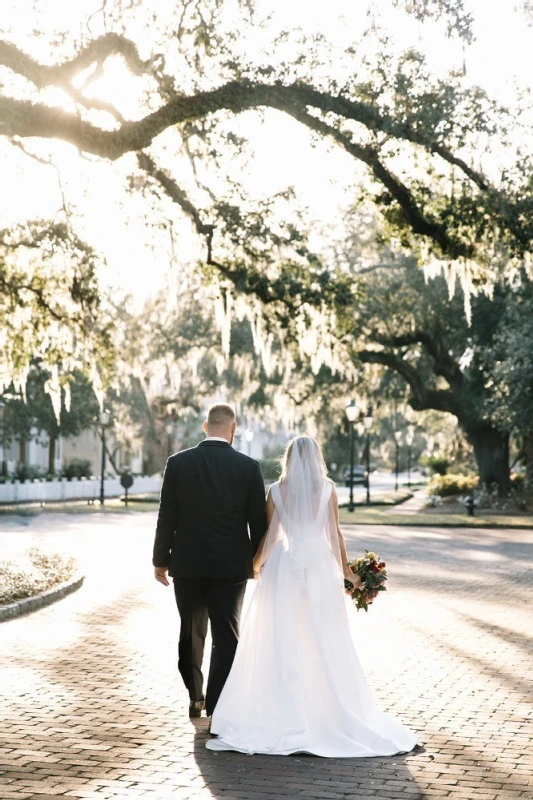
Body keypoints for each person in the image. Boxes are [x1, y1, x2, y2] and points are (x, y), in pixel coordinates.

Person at [206, 435, 417, 757]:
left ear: (288, 459)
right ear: (317, 458)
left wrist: (255, 567)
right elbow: (334, 534)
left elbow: (271, 535)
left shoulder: (276, 490)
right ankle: (327, 708)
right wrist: (348, 572)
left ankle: (283, 711)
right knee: (323, 636)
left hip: (286, 567)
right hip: (318, 566)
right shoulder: (328, 490)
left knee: (283, 637)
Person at [152, 403, 266, 720]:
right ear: (233, 428)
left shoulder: (178, 464)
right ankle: (218, 705)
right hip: (231, 568)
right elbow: (258, 524)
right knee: (227, 637)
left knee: (191, 633)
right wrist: (258, 563)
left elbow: (167, 518)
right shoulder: (248, 467)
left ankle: (195, 697)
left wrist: (160, 561)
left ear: (205, 426)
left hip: (187, 566)